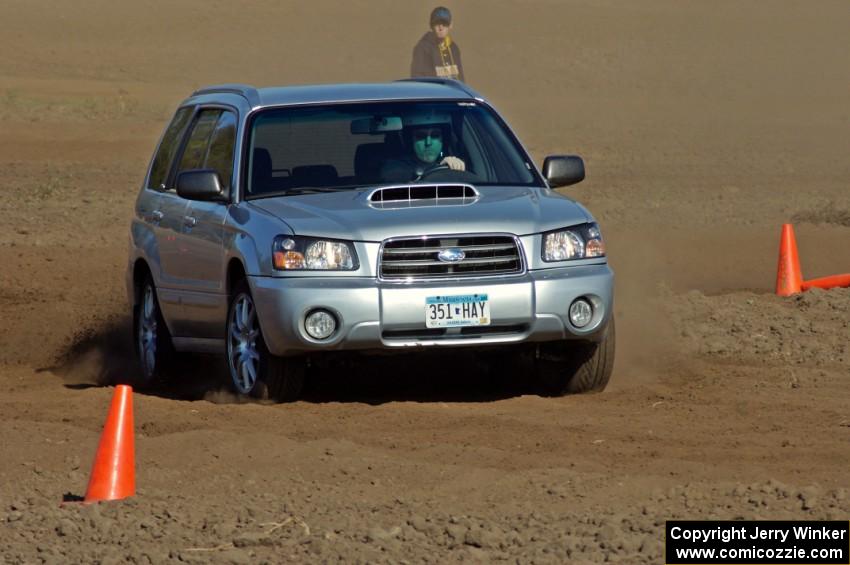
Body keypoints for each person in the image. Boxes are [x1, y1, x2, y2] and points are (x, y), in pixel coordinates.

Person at [379, 120, 466, 183]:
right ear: (410, 141)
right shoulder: (395, 166)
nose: (428, 143)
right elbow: (391, 175)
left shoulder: (446, 163)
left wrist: (455, 166)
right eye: (421, 136)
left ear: (443, 140)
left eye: (435, 135)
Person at [410, 7, 465, 82]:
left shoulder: (454, 48)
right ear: (431, 25)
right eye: (437, 23)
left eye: (444, 23)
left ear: (451, 25)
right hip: (433, 93)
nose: (441, 27)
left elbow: (461, 80)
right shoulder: (422, 48)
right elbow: (418, 81)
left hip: (453, 93)